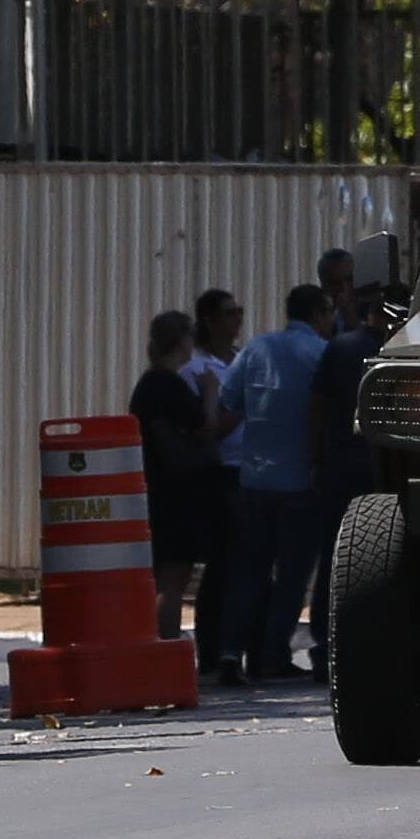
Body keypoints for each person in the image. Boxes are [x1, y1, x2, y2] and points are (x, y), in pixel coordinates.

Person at [217, 278, 336, 682]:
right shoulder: (322, 353)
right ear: (319, 314)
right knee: (292, 577)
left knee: (248, 572)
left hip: (255, 479)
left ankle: (230, 654)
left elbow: (229, 402)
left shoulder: (256, 349)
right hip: (301, 483)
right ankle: (272, 656)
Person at [299, 270, 393, 671]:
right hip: (383, 464)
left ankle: (326, 641)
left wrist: (316, 458)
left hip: (341, 462)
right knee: (383, 553)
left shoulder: (339, 348)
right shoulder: (397, 350)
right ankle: (373, 639)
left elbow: (317, 407)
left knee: (335, 554)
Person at [130, 309, 223, 643]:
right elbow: (207, 429)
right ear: (183, 342)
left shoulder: (148, 385)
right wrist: (210, 390)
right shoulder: (170, 385)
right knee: (174, 576)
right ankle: (166, 640)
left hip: (157, 487)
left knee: (164, 573)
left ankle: (159, 637)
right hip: (177, 491)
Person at [184, 288, 249, 680]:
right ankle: (211, 648)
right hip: (221, 472)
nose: (236, 320)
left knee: (245, 564)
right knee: (223, 564)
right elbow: (205, 429)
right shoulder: (197, 370)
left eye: (238, 312)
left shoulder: (241, 361)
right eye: (228, 314)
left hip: (250, 467)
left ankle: (235, 646)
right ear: (209, 321)